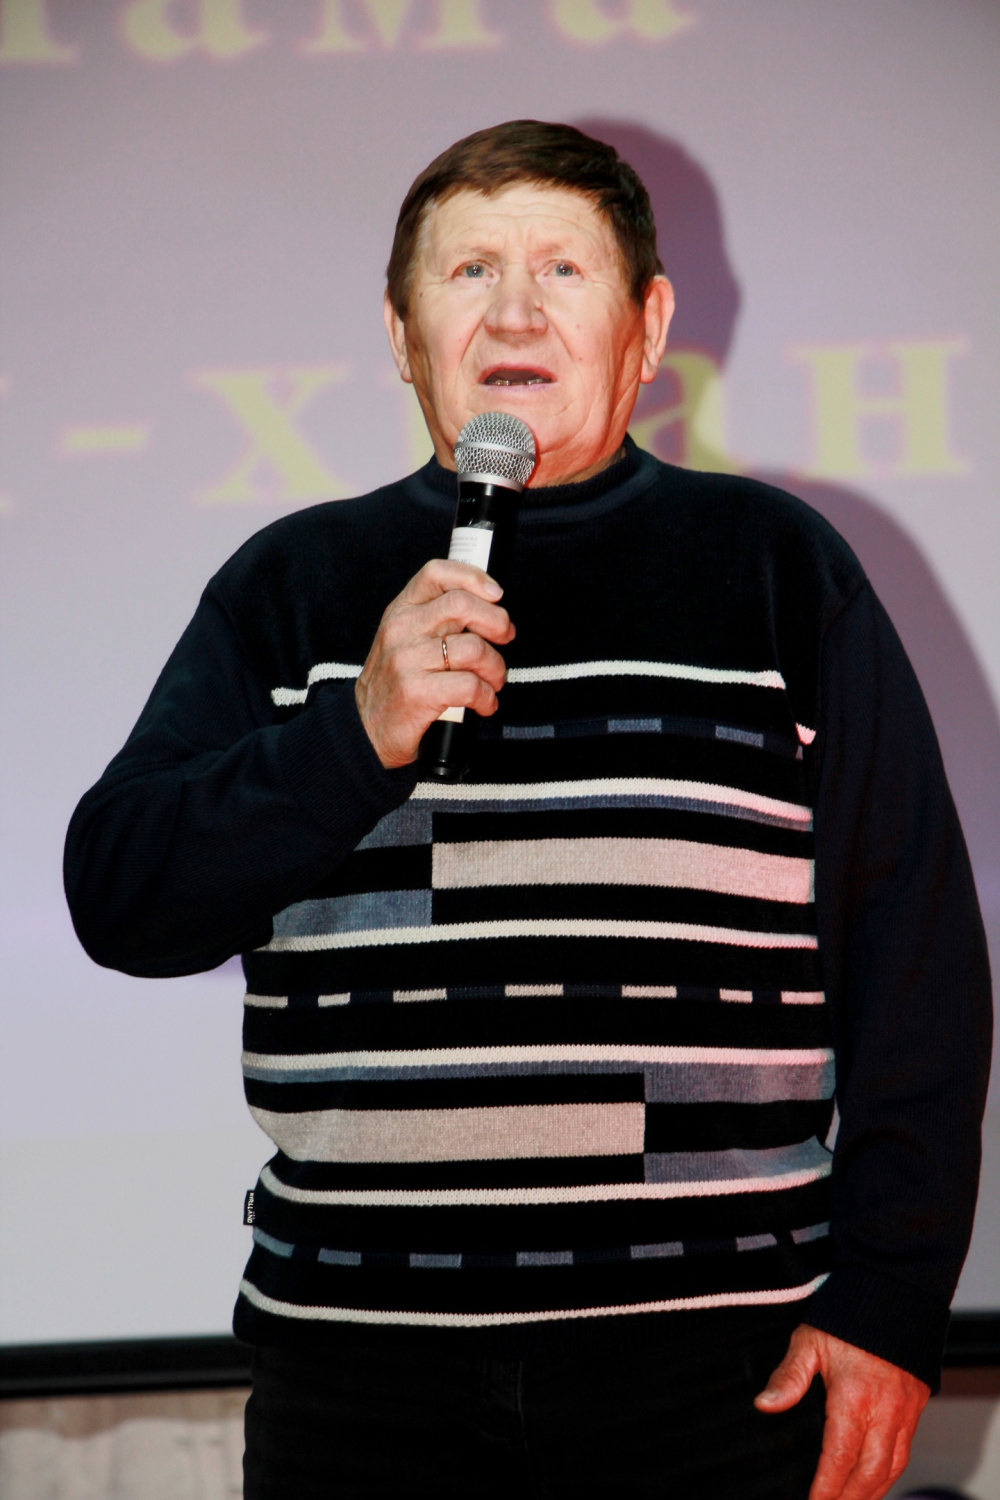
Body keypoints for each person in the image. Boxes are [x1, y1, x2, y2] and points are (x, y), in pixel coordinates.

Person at [64, 120, 991, 1499]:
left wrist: (892, 1298)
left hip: (716, 1379)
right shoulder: (290, 587)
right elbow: (122, 899)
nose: (513, 312)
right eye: (469, 272)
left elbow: (914, 953)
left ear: (647, 326)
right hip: (360, 1386)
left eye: (562, 268)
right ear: (401, 335)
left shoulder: (777, 570)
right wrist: (355, 731)